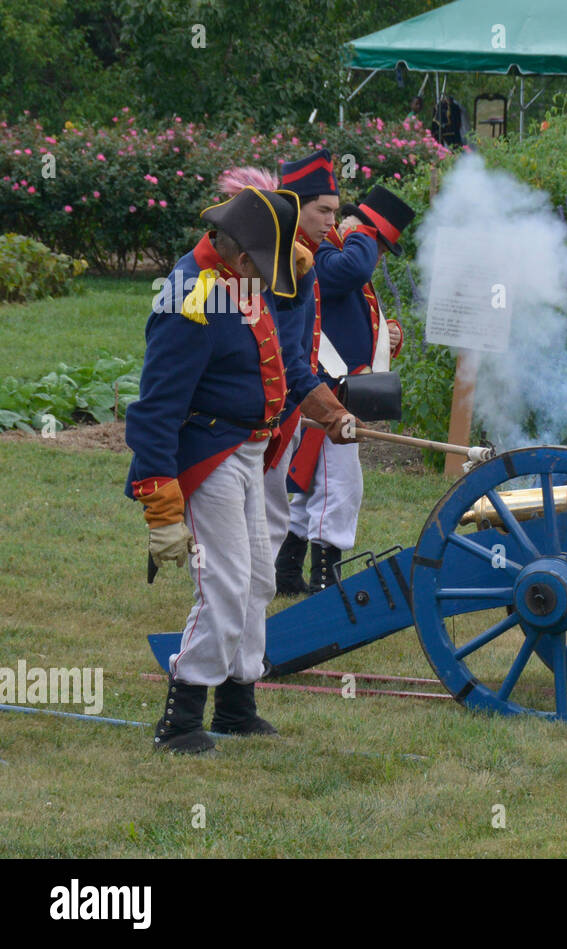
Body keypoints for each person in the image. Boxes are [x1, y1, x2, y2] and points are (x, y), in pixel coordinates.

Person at [126, 187, 357, 753]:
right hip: (209, 455)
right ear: (243, 256)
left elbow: (290, 362)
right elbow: (155, 408)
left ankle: (235, 701)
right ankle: (180, 718)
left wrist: (329, 412)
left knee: (258, 577)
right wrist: (161, 506)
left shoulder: (247, 277)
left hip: (258, 451)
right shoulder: (191, 297)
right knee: (225, 582)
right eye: (272, 265)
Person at [283, 185, 415, 592]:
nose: (375, 257)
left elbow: (358, 316)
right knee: (340, 487)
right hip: (326, 395)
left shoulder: (337, 256)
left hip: (340, 392)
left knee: (316, 488)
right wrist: (360, 232)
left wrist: (391, 334)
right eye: (376, 245)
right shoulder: (325, 256)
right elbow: (354, 272)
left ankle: (285, 572)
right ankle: (326, 580)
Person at [269, 148, 343, 596]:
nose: (333, 221)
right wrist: (332, 411)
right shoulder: (283, 262)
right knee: (264, 517)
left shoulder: (304, 256)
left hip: (288, 405)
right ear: (296, 207)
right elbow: (286, 355)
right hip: (268, 410)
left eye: (336, 212)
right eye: (324, 210)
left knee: (273, 510)